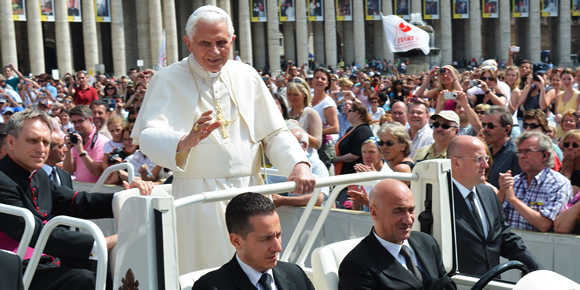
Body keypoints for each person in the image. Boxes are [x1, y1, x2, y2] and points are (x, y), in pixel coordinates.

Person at [131, 5, 315, 274]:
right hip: (199, 197)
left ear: (233, 41)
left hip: (250, 190)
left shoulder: (247, 75)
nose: (214, 52)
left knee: (257, 265)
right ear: (188, 43)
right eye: (204, 43)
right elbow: (147, 136)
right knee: (206, 269)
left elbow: (274, 132)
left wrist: (298, 164)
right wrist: (183, 141)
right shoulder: (166, 79)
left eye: (221, 43)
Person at [0, 110, 153, 290]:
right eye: (33, 141)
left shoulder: (38, 174)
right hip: (16, 269)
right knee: (85, 279)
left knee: (110, 267)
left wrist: (123, 199)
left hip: (45, 259)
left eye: (46, 142)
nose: (41, 148)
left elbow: (73, 200)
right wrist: (98, 243)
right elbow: (33, 232)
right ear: (11, 141)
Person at [447, 135, 542, 276]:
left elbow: (505, 238)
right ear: (456, 163)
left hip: (492, 283)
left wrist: (537, 270)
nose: (486, 165)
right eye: (478, 159)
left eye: (486, 158)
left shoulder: (488, 193)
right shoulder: (440, 197)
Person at [338, 179, 456, 290]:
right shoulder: (356, 266)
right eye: (398, 211)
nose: (408, 220)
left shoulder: (427, 243)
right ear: (374, 212)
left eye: (411, 210)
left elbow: (445, 285)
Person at [193, 192, 315, 289]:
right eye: (265, 239)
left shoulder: (296, 275)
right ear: (236, 241)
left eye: (278, 235)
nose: (278, 247)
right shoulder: (210, 286)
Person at [499, 132, 572, 232]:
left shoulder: (558, 184)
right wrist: (501, 196)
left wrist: (513, 199)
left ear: (544, 155)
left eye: (528, 151)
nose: (522, 156)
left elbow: (544, 224)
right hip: (509, 246)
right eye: (520, 152)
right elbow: (496, 220)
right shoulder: (514, 182)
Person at [267, 128, 329, 207]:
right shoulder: (278, 165)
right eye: (285, 144)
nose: (288, 148)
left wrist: (283, 201)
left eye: (293, 144)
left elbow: (319, 199)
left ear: (305, 146)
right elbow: (268, 190)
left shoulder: (317, 166)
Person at [63, 105, 110, 183]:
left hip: (96, 191)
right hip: (80, 189)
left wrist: (81, 151)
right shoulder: (76, 139)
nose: (77, 125)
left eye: (80, 121)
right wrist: (68, 150)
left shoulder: (102, 141)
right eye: (74, 122)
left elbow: (97, 172)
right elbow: (68, 172)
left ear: (90, 120)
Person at [482, 106, 522, 188]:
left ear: (507, 129)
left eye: (490, 125)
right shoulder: (485, 152)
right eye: (484, 125)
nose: (485, 129)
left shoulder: (517, 153)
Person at [334, 101, 374, 175]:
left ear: (356, 113)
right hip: (343, 171)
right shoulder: (351, 129)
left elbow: (355, 155)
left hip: (352, 174)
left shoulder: (363, 131)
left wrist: (337, 159)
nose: (347, 113)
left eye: (350, 111)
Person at [286, 77, 322, 154]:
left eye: (296, 95)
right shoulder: (286, 113)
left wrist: (299, 130)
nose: (292, 98)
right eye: (289, 94)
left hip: (307, 159)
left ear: (305, 94)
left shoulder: (311, 114)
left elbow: (317, 144)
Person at [554, 69, 579, 138]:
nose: (566, 81)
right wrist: (557, 118)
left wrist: (565, 118)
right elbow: (556, 113)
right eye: (564, 79)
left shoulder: (578, 95)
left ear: (574, 79)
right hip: (560, 132)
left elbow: (578, 116)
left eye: (569, 79)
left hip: (573, 133)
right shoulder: (558, 95)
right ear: (561, 80)